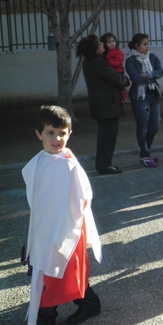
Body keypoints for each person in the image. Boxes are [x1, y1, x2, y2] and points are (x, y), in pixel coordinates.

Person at [22, 106, 102, 325]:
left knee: (56, 275)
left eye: (62, 133)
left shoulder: (69, 167)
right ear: (39, 134)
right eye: (50, 132)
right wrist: (33, 239)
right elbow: (39, 205)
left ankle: (47, 317)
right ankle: (88, 304)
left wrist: (60, 235)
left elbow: (81, 202)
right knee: (54, 274)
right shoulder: (38, 162)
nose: (56, 138)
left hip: (66, 232)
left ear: (69, 134)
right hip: (45, 231)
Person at [76, 35, 129, 175]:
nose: (103, 45)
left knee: (106, 135)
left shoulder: (91, 61)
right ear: (94, 48)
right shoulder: (98, 62)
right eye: (99, 43)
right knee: (107, 136)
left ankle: (105, 164)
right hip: (106, 105)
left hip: (103, 105)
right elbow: (114, 78)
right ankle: (104, 165)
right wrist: (125, 80)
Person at [126, 33, 163, 168]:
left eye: (148, 43)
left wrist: (148, 74)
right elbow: (136, 79)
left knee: (154, 126)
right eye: (144, 44)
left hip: (154, 95)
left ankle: (145, 153)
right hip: (140, 97)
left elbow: (161, 72)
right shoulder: (131, 61)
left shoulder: (152, 57)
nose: (148, 46)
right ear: (136, 46)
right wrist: (152, 77)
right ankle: (145, 154)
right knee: (143, 127)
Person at [100, 32, 130, 103]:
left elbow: (118, 62)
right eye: (109, 42)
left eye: (113, 41)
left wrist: (108, 63)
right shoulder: (105, 52)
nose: (112, 43)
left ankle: (125, 95)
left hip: (118, 71)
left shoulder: (118, 52)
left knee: (119, 85)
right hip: (110, 71)